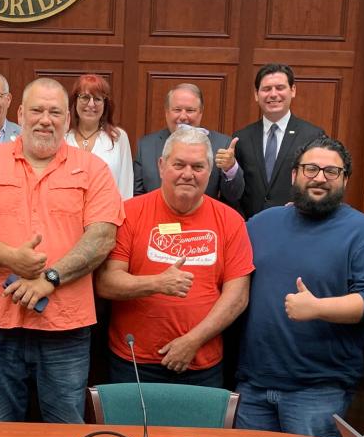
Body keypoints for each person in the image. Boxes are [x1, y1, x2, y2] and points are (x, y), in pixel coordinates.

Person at [0, 78, 124, 423]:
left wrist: (50, 279)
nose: (46, 119)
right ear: (21, 114)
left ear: (68, 120)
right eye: (38, 110)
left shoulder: (94, 170)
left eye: (56, 112)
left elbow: (102, 237)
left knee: (64, 429)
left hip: (65, 326)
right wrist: (12, 258)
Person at [235, 135, 364, 437]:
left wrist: (318, 308)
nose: (320, 178)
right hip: (252, 386)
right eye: (311, 169)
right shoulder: (261, 224)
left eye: (331, 172)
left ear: (345, 180)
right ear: (294, 174)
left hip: (317, 391)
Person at [98, 126, 252, 387]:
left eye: (198, 167)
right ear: (161, 165)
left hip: (202, 362)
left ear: (210, 171)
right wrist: (157, 283)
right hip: (134, 362)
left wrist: (192, 341)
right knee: (130, 431)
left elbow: (237, 297)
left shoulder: (231, 221)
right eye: (179, 164)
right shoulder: (129, 213)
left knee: (196, 431)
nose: (188, 174)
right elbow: (106, 283)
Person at [229, 63, 325, 218]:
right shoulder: (242, 137)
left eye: (280, 88)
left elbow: (319, 180)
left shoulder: (312, 135)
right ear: (256, 94)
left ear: (293, 90)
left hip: (296, 224)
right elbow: (235, 191)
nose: (273, 94)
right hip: (250, 227)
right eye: (266, 89)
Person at [133, 83, 244, 208]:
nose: (183, 116)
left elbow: (234, 196)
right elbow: (137, 195)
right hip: (156, 223)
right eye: (177, 110)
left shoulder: (222, 145)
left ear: (201, 112)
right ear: (166, 112)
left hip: (202, 224)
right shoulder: (146, 145)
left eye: (190, 110)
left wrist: (230, 168)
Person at [64, 74, 134, 200]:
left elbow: (126, 187)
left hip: (107, 216)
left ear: (105, 104)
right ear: (75, 101)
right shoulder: (62, 137)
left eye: (97, 99)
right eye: (85, 97)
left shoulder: (118, 138)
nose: (91, 104)